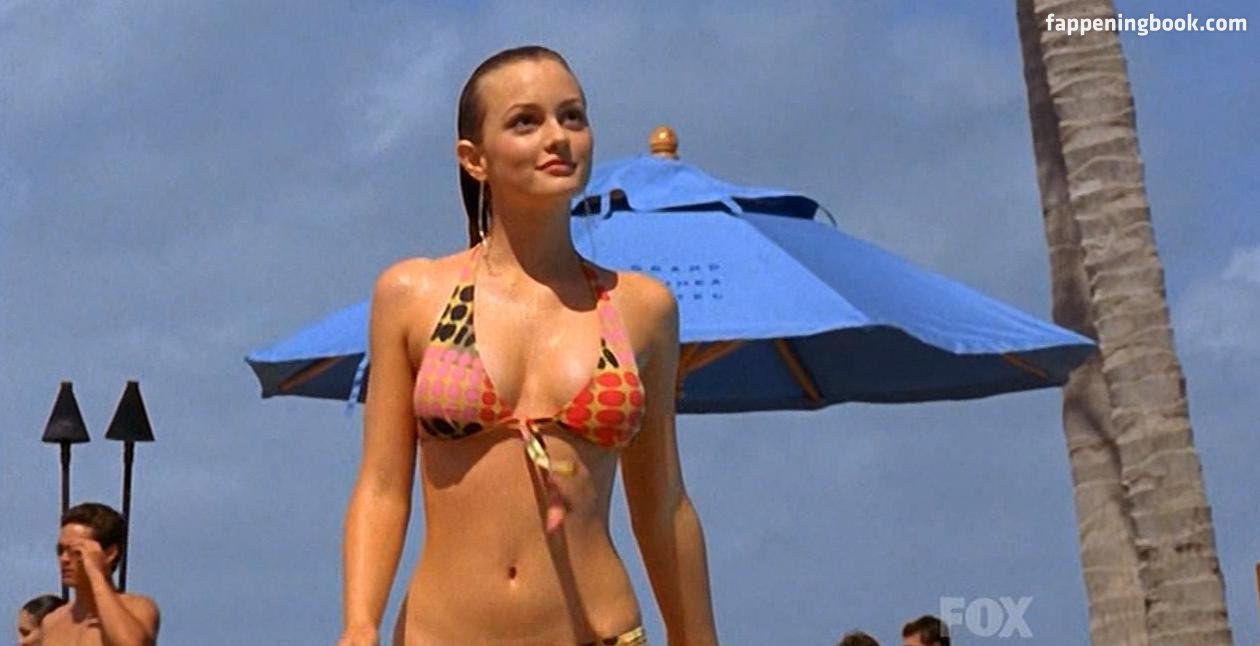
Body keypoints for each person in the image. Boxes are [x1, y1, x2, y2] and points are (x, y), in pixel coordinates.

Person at [338, 45, 719, 645]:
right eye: (526, 121)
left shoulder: (641, 309)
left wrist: (698, 638)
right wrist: (359, 623)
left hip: (602, 633)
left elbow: (663, 504)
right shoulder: (412, 295)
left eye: (573, 116)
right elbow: (383, 487)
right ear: (474, 159)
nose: (557, 137)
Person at [39, 502, 160, 646]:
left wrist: (95, 572)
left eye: (76, 551)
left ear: (110, 554)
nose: (64, 559)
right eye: (60, 551)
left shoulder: (137, 607)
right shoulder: (52, 623)